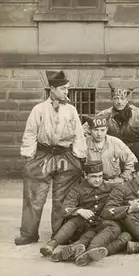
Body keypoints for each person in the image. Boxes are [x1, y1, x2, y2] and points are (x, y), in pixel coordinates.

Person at [16, 70, 86, 246]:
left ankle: (60, 233)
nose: (66, 92)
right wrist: (28, 155)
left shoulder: (71, 110)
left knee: (62, 198)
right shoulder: (39, 109)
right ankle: (29, 233)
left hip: (65, 155)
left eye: (67, 89)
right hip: (43, 154)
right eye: (63, 89)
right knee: (34, 195)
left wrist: (79, 157)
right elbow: (30, 132)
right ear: (52, 89)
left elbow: (79, 134)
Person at [40, 161, 131, 266]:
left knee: (113, 228)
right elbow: (64, 209)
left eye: (100, 176)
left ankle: (79, 251)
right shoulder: (77, 190)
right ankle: (52, 245)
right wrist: (79, 210)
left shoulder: (110, 187)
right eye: (93, 177)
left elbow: (125, 193)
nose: (98, 180)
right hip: (83, 227)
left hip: (101, 225)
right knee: (77, 219)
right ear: (85, 175)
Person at [89, 83, 139, 160]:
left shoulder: (137, 113)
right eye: (116, 98)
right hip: (113, 152)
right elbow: (84, 130)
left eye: (122, 98)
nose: (119, 102)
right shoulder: (104, 115)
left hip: (136, 151)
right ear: (112, 99)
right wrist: (97, 145)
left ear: (127, 100)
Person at [84, 114, 137, 184]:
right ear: (90, 130)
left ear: (107, 129)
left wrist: (123, 178)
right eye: (96, 130)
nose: (99, 134)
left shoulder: (115, 142)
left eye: (102, 130)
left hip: (114, 183)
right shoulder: (84, 144)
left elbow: (132, 161)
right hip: (92, 183)